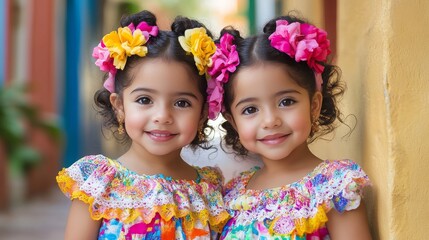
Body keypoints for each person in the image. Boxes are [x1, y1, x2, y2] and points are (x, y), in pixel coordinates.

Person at [56, 10, 230, 239]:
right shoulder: (99, 184)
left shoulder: (210, 190)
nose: (162, 116)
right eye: (145, 100)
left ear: (203, 113)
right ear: (119, 106)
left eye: (181, 103)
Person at [206, 14, 372, 239]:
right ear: (233, 121)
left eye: (286, 102)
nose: (270, 120)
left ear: (314, 105)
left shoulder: (334, 187)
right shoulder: (233, 195)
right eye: (250, 109)